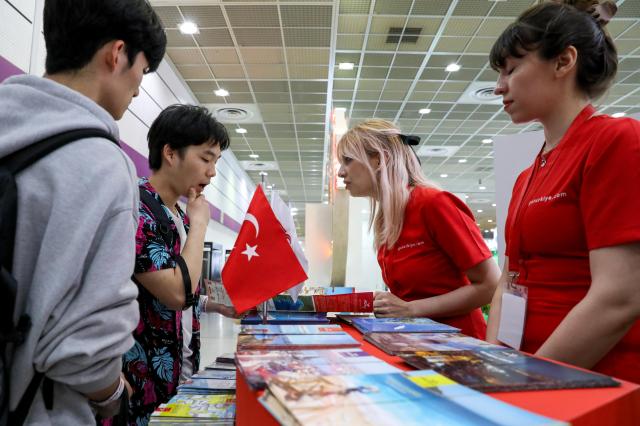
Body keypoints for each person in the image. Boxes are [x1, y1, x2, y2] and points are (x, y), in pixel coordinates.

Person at [0, 0, 165, 423]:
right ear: (116, 54)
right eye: (141, 72)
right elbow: (81, 348)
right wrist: (111, 395)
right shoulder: (100, 163)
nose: (136, 90)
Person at [485, 0, 640, 383]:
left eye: (512, 69)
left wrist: (526, 381)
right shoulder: (528, 173)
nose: (499, 86)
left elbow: (619, 297)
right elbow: (509, 280)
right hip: (527, 373)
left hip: (594, 379)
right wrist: (490, 364)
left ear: (563, 62)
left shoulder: (615, 141)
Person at [337, 119, 500, 339]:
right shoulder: (388, 217)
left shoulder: (433, 203)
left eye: (347, 161)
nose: (340, 172)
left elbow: (490, 285)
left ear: (378, 159)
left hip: (458, 345)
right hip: (418, 340)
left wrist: (410, 309)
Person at [122, 104, 232, 424]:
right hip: (140, 387)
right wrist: (199, 227)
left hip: (178, 378)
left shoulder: (178, 216)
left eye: (216, 162)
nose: (211, 172)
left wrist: (218, 305)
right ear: (171, 153)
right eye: (205, 158)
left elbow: (182, 291)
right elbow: (176, 292)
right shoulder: (138, 209)